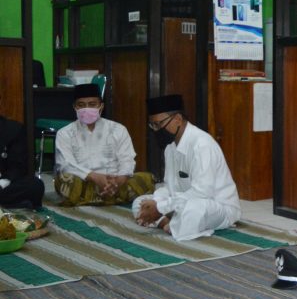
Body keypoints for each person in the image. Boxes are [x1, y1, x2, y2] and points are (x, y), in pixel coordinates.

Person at [132, 94, 240, 241]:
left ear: (178, 119)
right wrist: (156, 203)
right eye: (153, 125)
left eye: (159, 124)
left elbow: (202, 192)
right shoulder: (170, 146)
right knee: (140, 202)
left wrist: (161, 208)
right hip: (182, 201)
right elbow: (168, 186)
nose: (156, 130)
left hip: (216, 206)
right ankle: (167, 223)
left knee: (193, 210)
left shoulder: (202, 144)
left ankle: (171, 222)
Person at [54, 83, 155, 205]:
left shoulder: (118, 129)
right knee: (65, 179)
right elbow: (65, 164)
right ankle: (113, 196)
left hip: (114, 180)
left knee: (146, 178)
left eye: (92, 104)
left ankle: (91, 197)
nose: (87, 108)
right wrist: (94, 176)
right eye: (81, 105)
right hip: (83, 181)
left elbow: (127, 159)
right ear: (75, 107)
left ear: (101, 106)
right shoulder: (65, 133)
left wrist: (119, 180)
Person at [0, 91, 44, 210]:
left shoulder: (12, 129)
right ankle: (13, 205)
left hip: (3, 183)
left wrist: (3, 182)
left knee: (35, 185)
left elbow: (18, 165)